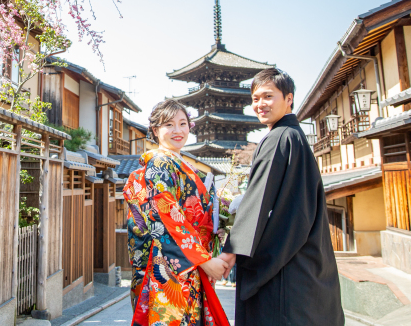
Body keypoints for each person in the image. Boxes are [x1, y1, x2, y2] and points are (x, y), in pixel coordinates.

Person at [219, 68, 344, 325]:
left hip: (284, 271)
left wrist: (229, 254)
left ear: (289, 99)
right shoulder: (294, 137)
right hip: (304, 262)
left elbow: (259, 200)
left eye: (268, 96)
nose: (260, 104)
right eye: (255, 98)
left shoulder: (278, 138)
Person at [123, 99, 230, 326]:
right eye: (169, 125)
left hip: (187, 264)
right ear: (155, 130)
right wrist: (204, 261)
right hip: (169, 268)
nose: (178, 130)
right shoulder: (159, 164)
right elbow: (167, 218)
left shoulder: (182, 165)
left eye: (183, 124)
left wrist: (211, 255)